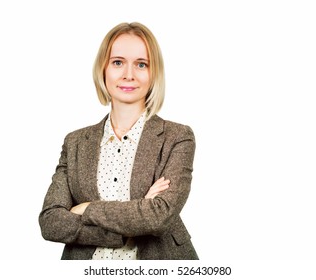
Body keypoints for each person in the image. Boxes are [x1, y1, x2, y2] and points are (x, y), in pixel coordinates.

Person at [39, 22, 198, 260]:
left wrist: (86, 209)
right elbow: (51, 221)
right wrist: (128, 222)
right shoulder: (75, 143)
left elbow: (159, 216)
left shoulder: (177, 137)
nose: (128, 74)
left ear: (154, 73)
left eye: (141, 64)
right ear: (103, 69)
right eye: (117, 62)